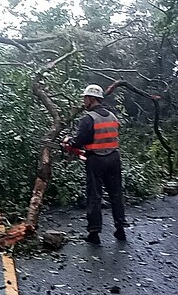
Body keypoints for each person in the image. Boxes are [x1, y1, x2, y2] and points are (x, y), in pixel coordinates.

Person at [62, 84, 126, 244]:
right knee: (116, 194)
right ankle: (120, 229)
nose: (84, 102)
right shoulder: (112, 116)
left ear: (91, 99)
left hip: (96, 160)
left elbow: (80, 141)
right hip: (114, 158)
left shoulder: (89, 118)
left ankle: (94, 232)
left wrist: (69, 141)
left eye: (85, 98)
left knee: (94, 196)